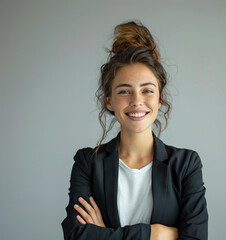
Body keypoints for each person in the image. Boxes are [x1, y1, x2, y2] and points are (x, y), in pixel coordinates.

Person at [61, 20, 208, 240]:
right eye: (124, 92)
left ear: (160, 99)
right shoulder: (87, 162)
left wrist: (104, 235)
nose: (137, 101)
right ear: (109, 101)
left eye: (147, 90)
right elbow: (76, 236)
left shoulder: (186, 165)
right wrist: (155, 234)